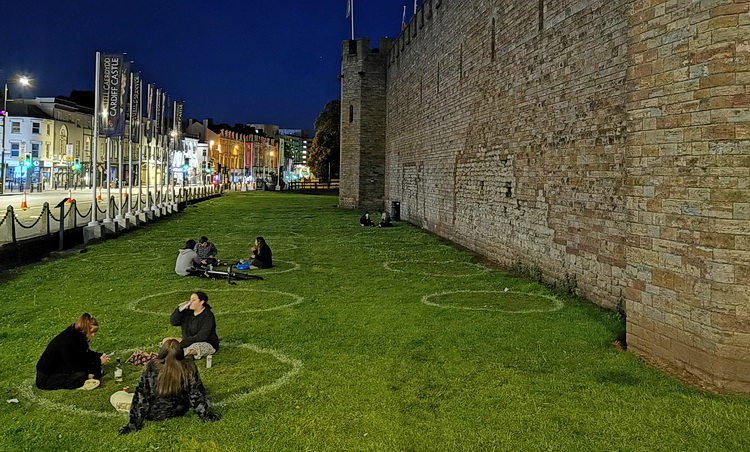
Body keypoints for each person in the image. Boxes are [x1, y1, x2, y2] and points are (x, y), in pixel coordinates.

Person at [118, 338, 220, 434]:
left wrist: (133, 425)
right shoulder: (189, 366)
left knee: (116, 396)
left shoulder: (152, 366)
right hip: (180, 410)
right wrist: (207, 416)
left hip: (154, 413)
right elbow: (197, 395)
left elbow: (141, 398)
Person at [36, 313, 111, 390]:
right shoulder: (68, 341)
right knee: (81, 375)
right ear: (85, 330)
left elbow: (84, 354)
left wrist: (99, 356)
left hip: (62, 367)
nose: (93, 335)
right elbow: (75, 365)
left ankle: (90, 376)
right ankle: (87, 378)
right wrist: (98, 362)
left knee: (93, 369)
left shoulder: (77, 335)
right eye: (91, 332)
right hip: (48, 377)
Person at [168, 292, 219, 359]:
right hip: (187, 341)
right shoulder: (187, 312)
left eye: (193, 300)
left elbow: (202, 336)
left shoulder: (208, 316)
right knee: (167, 340)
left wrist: (183, 343)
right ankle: (174, 352)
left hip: (205, 343)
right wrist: (179, 309)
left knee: (195, 348)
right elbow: (174, 322)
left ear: (201, 302)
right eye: (190, 300)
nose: (190, 302)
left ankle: (174, 354)